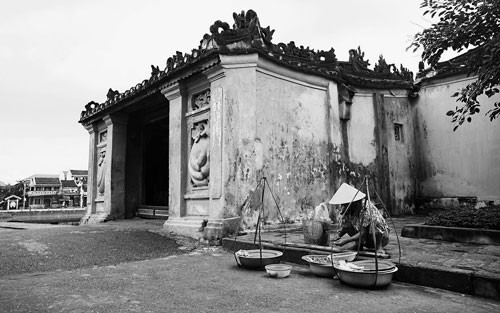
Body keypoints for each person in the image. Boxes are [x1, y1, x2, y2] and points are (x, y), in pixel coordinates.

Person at [329, 183, 390, 252]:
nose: (343, 206)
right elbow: (346, 226)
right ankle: (358, 245)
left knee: (375, 222)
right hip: (365, 240)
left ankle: (379, 247)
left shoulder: (366, 208)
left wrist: (345, 241)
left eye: (345, 204)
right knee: (346, 221)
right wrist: (339, 235)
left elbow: (363, 232)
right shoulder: (348, 209)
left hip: (378, 239)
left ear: (354, 202)